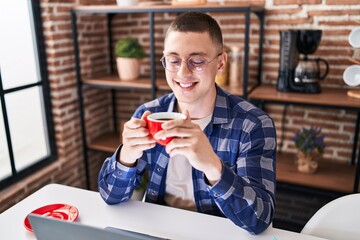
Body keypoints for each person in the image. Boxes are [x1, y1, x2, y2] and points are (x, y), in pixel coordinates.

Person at [98, 11, 276, 235]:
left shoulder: (253, 124)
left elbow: (259, 219)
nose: (183, 72)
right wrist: (126, 157)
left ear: (220, 63)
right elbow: (110, 196)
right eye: (173, 61)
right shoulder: (149, 114)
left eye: (197, 61)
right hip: (158, 231)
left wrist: (213, 167)